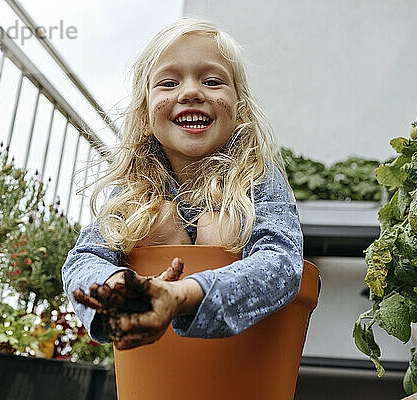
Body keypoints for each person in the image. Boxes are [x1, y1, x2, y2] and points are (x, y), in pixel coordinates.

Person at [62, 17, 304, 350]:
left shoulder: (258, 178)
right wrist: (120, 287)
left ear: (241, 111)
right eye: (169, 82)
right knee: (153, 219)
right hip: (156, 368)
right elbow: (82, 260)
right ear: (147, 117)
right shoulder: (133, 190)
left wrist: (181, 294)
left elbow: (282, 263)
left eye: (213, 81)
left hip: (244, 365)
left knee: (223, 224)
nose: (190, 91)